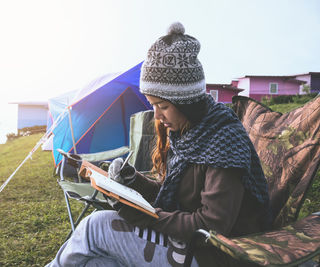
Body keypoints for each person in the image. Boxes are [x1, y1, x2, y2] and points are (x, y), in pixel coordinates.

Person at [46, 22, 271, 267]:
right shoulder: (191, 132)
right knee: (97, 264)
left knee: (94, 227)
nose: (157, 115)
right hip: (188, 242)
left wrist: (148, 217)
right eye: (152, 105)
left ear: (187, 101)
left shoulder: (223, 139)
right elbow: (173, 195)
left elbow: (212, 226)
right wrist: (132, 181)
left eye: (163, 106)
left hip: (214, 254)